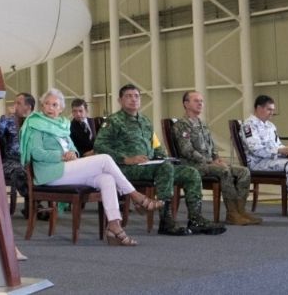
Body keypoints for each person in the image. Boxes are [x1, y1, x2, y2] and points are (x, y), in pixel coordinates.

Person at [20, 89, 163, 246]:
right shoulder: (36, 124)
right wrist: (61, 156)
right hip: (49, 173)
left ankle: (114, 226)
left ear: (61, 108)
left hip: (66, 169)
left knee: (107, 179)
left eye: (54, 104)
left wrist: (73, 154)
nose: (50, 108)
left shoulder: (62, 125)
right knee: (105, 159)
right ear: (42, 106)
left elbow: (73, 148)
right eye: (47, 104)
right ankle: (136, 196)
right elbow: (36, 153)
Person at [94, 84, 226, 236]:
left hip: (149, 166)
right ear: (120, 100)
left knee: (191, 173)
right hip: (126, 168)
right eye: (128, 96)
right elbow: (99, 146)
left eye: (136, 96)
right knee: (165, 168)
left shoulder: (145, 121)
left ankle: (196, 219)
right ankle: (166, 221)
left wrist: (164, 157)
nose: (133, 99)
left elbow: (155, 146)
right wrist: (126, 158)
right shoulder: (113, 121)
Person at [173, 91, 261, 225]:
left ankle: (240, 210)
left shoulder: (202, 125)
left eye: (201, 101)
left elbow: (212, 147)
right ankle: (232, 214)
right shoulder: (181, 125)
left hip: (210, 163)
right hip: (193, 165)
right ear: (186, 104)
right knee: (224, 171)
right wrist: (210, 161)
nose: (200, 104)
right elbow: (187, 150)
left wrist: (217, 158)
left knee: (244, 172)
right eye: (196, 101)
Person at [0, 93, 34, 218]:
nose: (14, 106)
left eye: (19, 103)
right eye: (15, 103)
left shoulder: (36, 122)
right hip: (9, 162)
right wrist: (10, 118)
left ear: (28, 107)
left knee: (38, 169)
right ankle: (34, 205)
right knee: (20, 171)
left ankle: (31, 207)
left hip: (30, 160)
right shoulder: (7, 120)